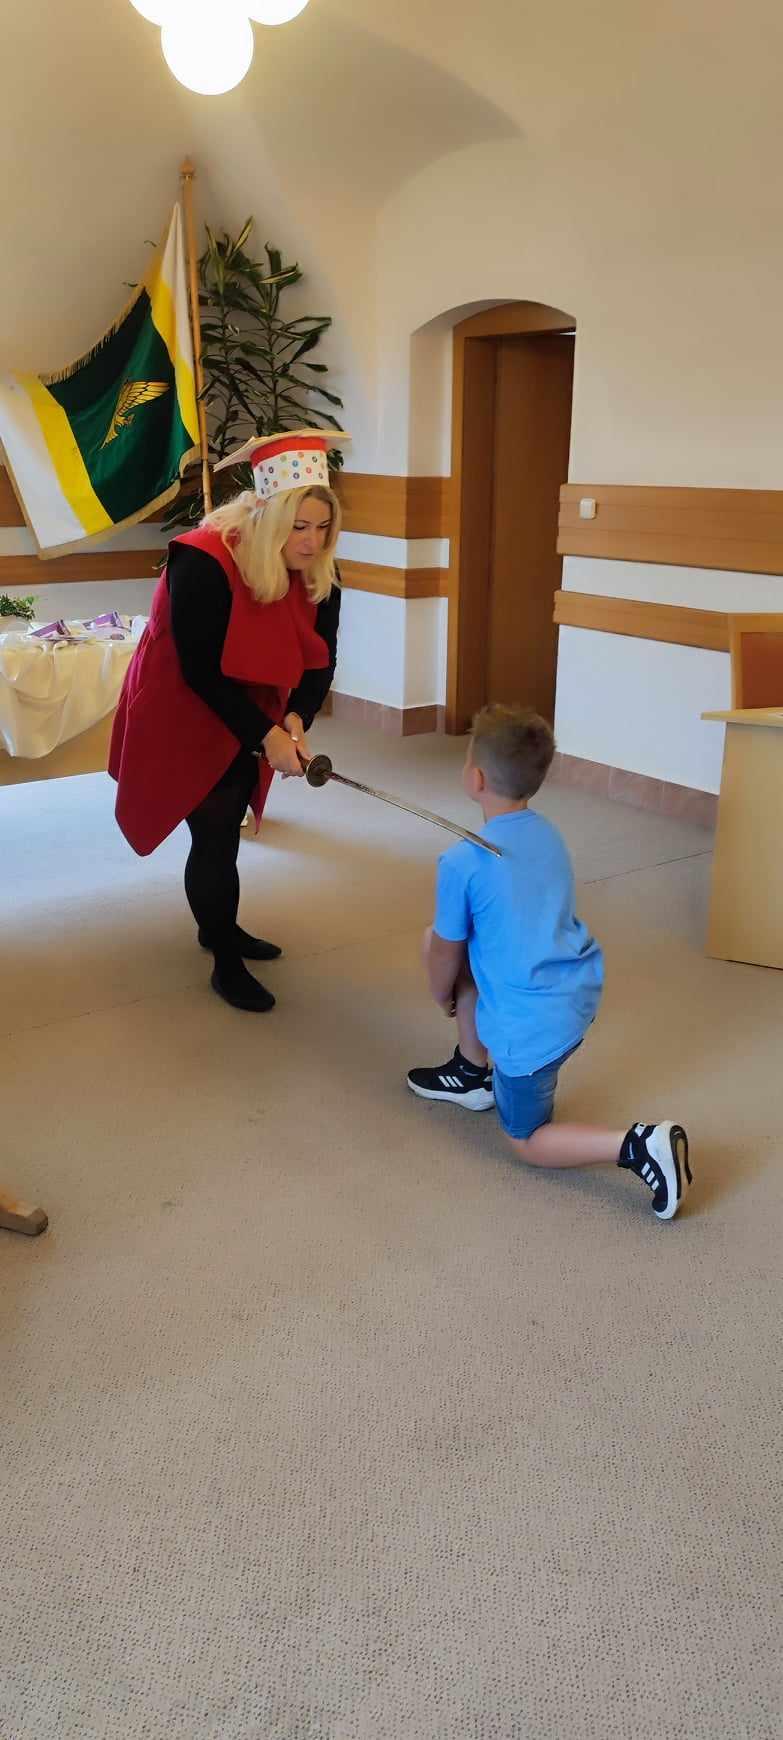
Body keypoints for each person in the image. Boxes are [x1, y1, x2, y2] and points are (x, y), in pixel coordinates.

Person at [407, 703, 692, 1221]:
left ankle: (638, 1145)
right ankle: (472, 1072)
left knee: (527, 1138)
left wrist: (439, 993)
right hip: (577, 992)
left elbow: (445, 954)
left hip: (534, 1030)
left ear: (475, 778)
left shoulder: (461, 862)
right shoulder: (548, 834)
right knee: (455, 940)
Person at [109, 429, 349, 1013]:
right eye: (300, 527)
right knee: (214, 829)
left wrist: (295, 721)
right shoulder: (202, 558)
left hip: (253, 702)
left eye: (323, 527)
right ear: (269, 518)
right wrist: (266, 734)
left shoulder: (320, 568)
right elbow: (198, 669)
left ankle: (218, 924)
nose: (313, 542)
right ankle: (224, 958)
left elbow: (322, 659)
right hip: (183, 703)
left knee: (231, 812)